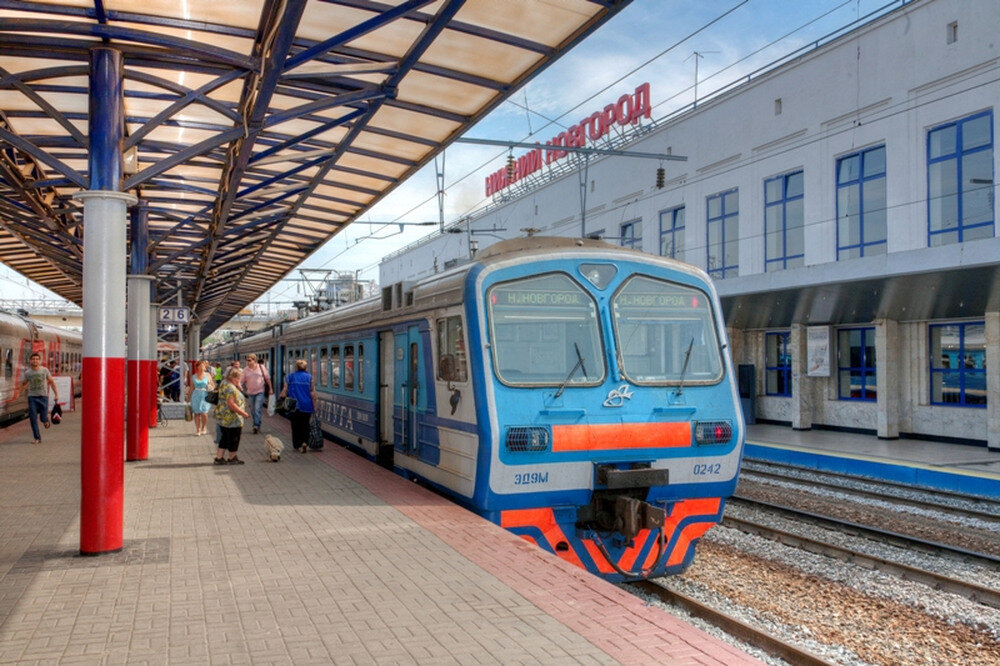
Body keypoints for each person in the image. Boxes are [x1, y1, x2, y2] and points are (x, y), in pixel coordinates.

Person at [19, 352, 58, 445]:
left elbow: (51, 382)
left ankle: (45, 420)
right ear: (30, 361)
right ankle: (37, 438)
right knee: (33, 418)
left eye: (37, 359)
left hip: (43, 397)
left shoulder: (44, 370)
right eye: (33, 359)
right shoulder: (28, 373)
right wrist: (19, 393)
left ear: (40, 361)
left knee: (42, 417)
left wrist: (56, 394)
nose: (35, 361)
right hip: (32, 397)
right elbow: (24, 384)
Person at [279, 358, 317, 454]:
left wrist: (281, 398)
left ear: (296, 367)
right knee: (305, 425)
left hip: (294, 406)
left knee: (295, 426)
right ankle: (305, 442)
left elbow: (285, 390)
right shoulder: (309, 377)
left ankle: (297, 444)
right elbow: (312, 393)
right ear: (306, 367)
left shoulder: (290, 377)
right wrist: (315, 406)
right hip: (307, 405)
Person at [214, 367, 250, 465]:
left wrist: (238, 386)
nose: (240, 380)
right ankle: (232, 457)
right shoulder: (230, 388)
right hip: (232, 418)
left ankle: (219, 457)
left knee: (224, 438)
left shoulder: (224, 383)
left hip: (224, 417)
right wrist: (243, 413)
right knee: (234, 438)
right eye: (239, 378)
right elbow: (231, 404)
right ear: (234, 378)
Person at [241, 353, 272, 434]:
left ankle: (256, 425)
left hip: (260, 392)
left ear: (254, 360)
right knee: (252, 410)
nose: (247, 362)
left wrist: (271, 389)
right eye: (247, 360)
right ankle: (258, 423)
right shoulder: (245, 370)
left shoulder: (261, 367)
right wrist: (238, 387)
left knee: (257, 408)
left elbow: (267, 378)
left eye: (249, 360)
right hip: (250, 393)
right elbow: (241, 381)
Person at [187, 359, 215, 436]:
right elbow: (191, 388)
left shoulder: (208, 375)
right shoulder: (193, 376)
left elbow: (213, 385)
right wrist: (188, 397)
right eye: (200, 365)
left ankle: (203, 427)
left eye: (203, 365)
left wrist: (211, 387)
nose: (202, 367)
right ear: (197, 367)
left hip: (205, 395)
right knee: (196, 413)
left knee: (204, 413)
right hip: (196, 395)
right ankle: (198, 429)